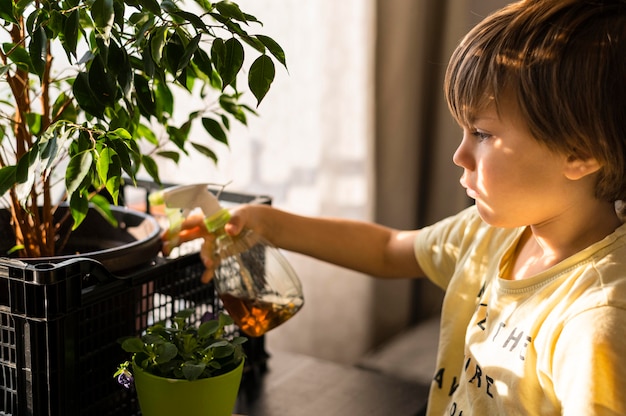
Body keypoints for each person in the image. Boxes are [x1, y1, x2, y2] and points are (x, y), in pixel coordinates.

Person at [163, 0, 626, 414]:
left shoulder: (595, 322)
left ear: (582, 152)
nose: (459, 155)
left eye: (483, 134)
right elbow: (388, 250)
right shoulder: (495, 233)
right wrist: (266, 222)